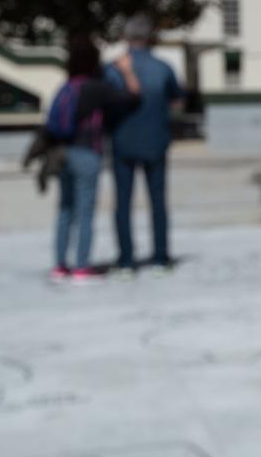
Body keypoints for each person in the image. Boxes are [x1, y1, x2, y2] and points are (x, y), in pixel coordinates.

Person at [48, 37, 140, 283]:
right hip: (86, 153)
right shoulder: (95, 87)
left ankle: (59, 265)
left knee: (65, 210)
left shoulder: (66, 86)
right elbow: (132, 97)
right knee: (85, 211)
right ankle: (81, 265)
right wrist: (127, 70)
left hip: (62, 153)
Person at [105, 14, 183, 276]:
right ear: (150, 37)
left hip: (122, 142)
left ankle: (126, 261)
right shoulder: (163, 67)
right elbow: (176, 101)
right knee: (158, 202)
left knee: (123, 203)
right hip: (156, 140)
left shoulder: (113, 68)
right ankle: (160, 258)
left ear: (126, 38)